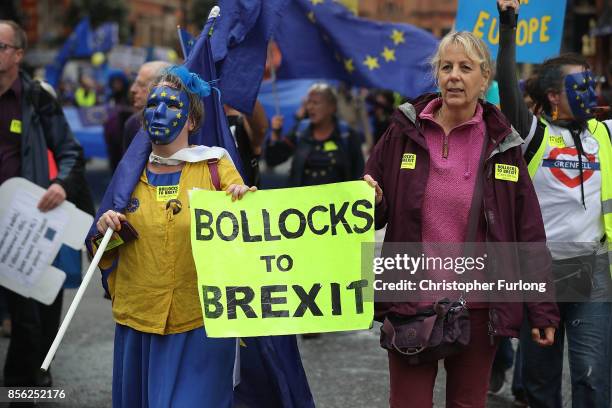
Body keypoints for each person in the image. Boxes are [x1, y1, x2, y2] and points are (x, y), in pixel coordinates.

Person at [363, 30, 559, 407]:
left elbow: (528, 232)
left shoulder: (504, 144)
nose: (454, 75)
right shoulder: (402, 132)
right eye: (446, 67)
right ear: (436, 75)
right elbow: (369, 212)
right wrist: (370, 198)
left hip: (479, 310)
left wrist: (543, 308)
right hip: (410, 305)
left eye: (465, 68)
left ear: (484, 78)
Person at [92, 65, 255, 407]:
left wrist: (243, 200)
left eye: (172, 105)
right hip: (140, 320)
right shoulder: (128, 176)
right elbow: (104, 252)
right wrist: (107, 229)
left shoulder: (214, 167)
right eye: (153, 105)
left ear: (192, 121)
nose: (160, 113)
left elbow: (249, 235)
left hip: (201, 322)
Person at [496, 1, 612, 407]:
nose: (590, 92)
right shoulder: (533, 134)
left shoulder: (606, 133)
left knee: (593, 379)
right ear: (552, 96)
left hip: (593, 272)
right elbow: (508, 87)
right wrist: (508, 24)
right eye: (579, 86)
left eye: (592, 83)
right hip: (541, 275)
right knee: (540, 385)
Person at [0, 20, 94, 389]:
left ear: (18, 54)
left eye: (1, 46)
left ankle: (24, 387)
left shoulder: (37, 98)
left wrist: (60, 183)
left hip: (24, 225)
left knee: (32, 318)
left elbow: (71, 151)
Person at [265, 83, 364, 187]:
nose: (310, 107)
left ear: (332, 107)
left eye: (316, 103)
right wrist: (275, 133)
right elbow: (272, 160)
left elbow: (360, 173)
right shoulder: (299, 131)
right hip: (303, 201)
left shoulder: (347, 135)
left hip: (338, 201)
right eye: (308, 103)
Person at [122, 61, 170, 153]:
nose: (133, 89)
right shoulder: (133, 123)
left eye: (141, 84)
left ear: (163, 86)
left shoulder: (182, 123)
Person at [224, 100, 268, 187]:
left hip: (244, 193)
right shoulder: (205, 120)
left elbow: (261, 130)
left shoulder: (243, 121)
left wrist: (247, 94)